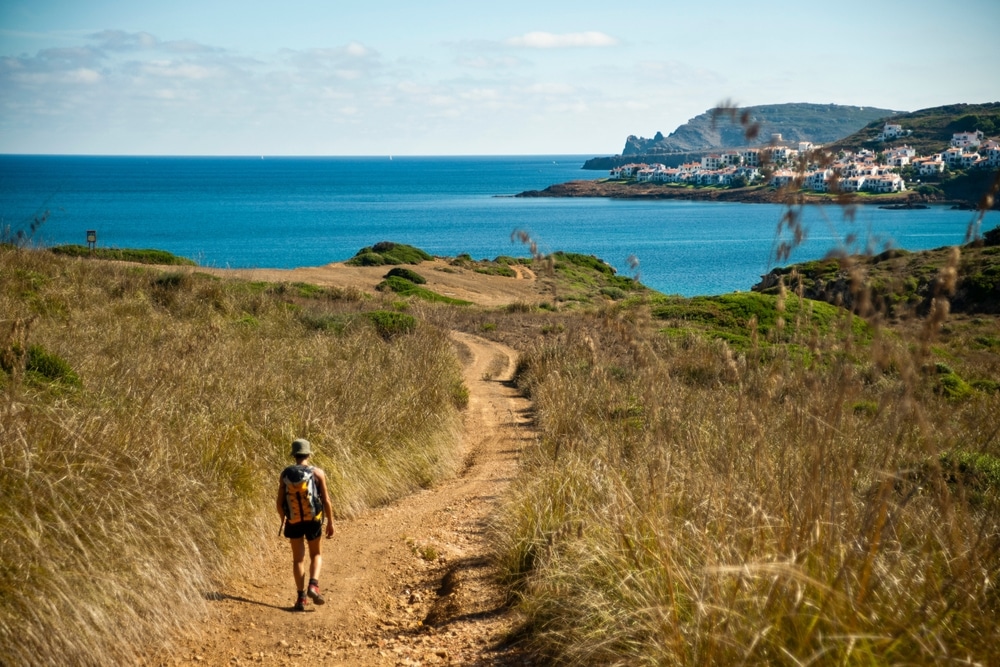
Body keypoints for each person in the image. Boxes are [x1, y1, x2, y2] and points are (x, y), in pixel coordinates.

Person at [277, 438, 335, 611]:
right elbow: (326, 500)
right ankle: (313, 586)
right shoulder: (317, 473)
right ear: (309, 453)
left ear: (294, 455)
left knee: (298, 559)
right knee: (316, 554)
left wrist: (284, 519)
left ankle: (301, 598)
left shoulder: (285, 474)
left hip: (293, 520)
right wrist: (330, 521)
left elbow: (279, 504)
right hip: (313, 520)